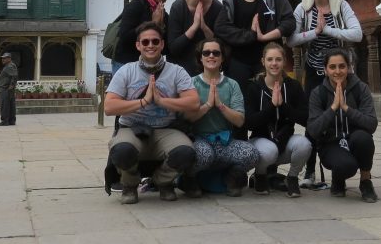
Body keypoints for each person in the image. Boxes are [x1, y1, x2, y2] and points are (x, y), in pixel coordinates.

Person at [104, 21, 199, 204]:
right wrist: (143, 102)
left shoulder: (176, 71)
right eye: (145, 42)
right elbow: (109, 107)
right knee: (122, 150)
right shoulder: (126, 71)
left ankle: (162, 181)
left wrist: (163, 101)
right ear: (138, 45)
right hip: (132, 128)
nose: (150, 46)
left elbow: (193, 102)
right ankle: (130, 185)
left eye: (155, 41)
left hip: (165, 128)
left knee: (186, 152)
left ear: (162, 44)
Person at [287, 0, 362, 187]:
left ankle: (341, 168)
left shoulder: (341, 5)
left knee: (342, 116)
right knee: (314, 121)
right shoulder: (303, 8)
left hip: (339, 71)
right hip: (314, 70)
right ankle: (309, 171)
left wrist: (327, 29)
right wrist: (314, 32)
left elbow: (357, 34)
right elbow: (291, 39)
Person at [183, 39, 259, 197]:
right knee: (204, 154)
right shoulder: (191, 84)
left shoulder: (232, 85)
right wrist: (207, 105)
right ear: (200, 57)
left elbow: (239, 120)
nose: (211, 56)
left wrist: (220, 105)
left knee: (252, 153)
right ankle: (188, 179)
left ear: (222, 58)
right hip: (200, 141)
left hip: (225, 142)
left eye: (216, 53)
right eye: (206, 53)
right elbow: (187, 118)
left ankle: (231, 178)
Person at [214, 0, 294, 93]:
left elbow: (289, 22)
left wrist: (265, 36)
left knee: (270, 100)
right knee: (241, 104)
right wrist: (250, 35)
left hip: (269, 61)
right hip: (239, 62)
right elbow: (221, 28)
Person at [306, 48, 378, 203]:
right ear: (325, 70)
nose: (337, 71)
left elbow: (371, 124)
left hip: (355, 140)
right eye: (332, 67)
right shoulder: (318, 93)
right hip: (330, 144)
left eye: (342, 66)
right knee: (346, 166)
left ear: (349, 67)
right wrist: (333, 108)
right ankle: (338, 180)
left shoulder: (361, 88)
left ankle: (366, 181)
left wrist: (346, 108)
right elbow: (313, 130)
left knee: (364, 138)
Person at [244, 42, 311, 197]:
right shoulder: (253, 87)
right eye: (270, 59)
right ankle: (260, 174)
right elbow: (249, 123)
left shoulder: (293, 86)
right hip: (261, 143)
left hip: (284, 140)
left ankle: (292, 177)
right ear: (263, 62)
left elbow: (306, 119)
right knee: (269, 150)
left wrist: (283, 106)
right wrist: (271, 107)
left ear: (284, 61)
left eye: (278, 59)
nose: (274, 63)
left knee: (304, 144)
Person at [166, 0, 222, 76]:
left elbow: (220, 45)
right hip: (179, 69)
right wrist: (194, 27)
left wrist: (204, 27)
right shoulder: (178, 6)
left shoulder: (217, 7)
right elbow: (173, 47)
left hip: (206, 70)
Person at [112, 0, 171, 74]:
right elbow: (124, 37)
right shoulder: (136, 5)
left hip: (149, 65)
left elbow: (164, 47)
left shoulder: (163, 13)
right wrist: (152, 24)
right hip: (125, 64)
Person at [0, 52, 18, 126]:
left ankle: (5, 121)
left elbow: (14, 76)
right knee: (10, 105)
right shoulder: (9, 65)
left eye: (5, 58)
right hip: (7, 88)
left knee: (4, 105)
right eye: (2, 58)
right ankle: (11, 120)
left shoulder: (9, 66)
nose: (3, 59)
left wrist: (11, 86)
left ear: (9, 59)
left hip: (5, 89)